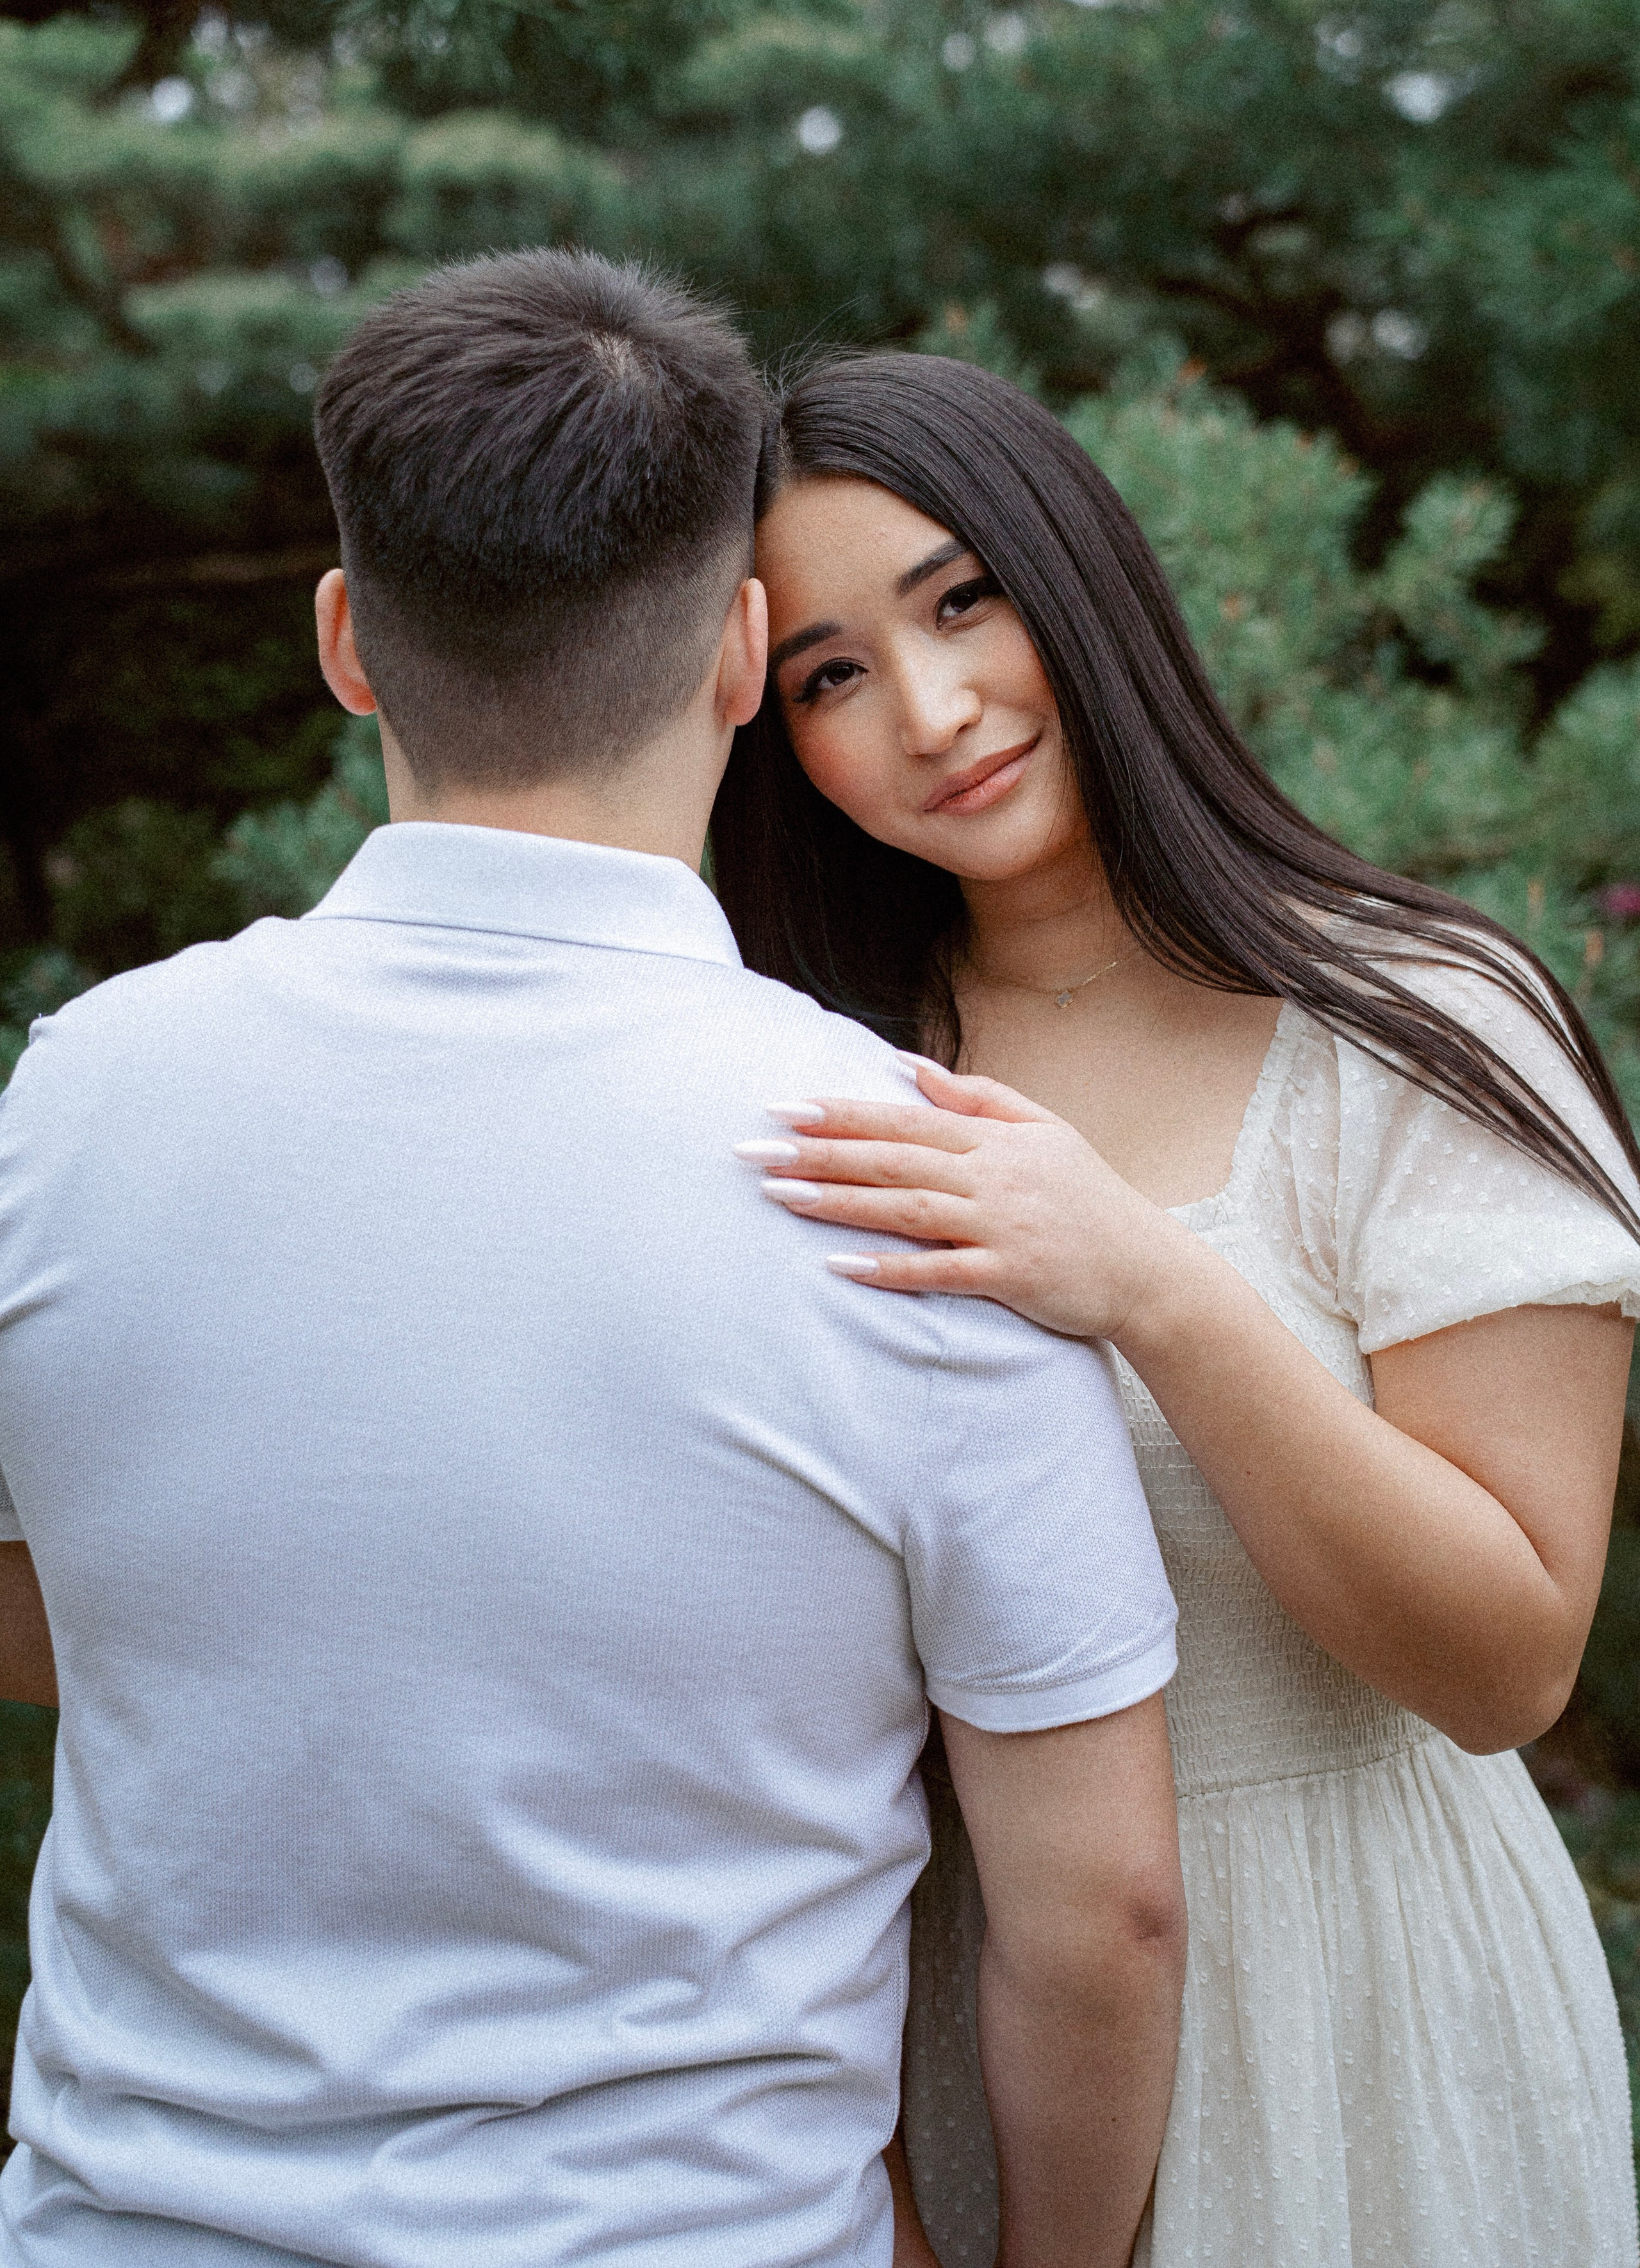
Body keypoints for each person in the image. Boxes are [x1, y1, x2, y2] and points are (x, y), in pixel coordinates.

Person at [0, 257, 1186, 2268]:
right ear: (743, 651)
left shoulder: (72, 1099)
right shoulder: (915, 1173)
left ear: (347, 641)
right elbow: (1106, 1912)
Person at [712, 348, 1640, 2268]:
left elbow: (1506, 1665)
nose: (934, 711)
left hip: (1369, 2002)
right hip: (970, 2019)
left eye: (964, 600)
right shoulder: (810, 1081)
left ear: (1082, 576)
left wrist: (1147, 1283)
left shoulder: (1419, 1020)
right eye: (830, 675)